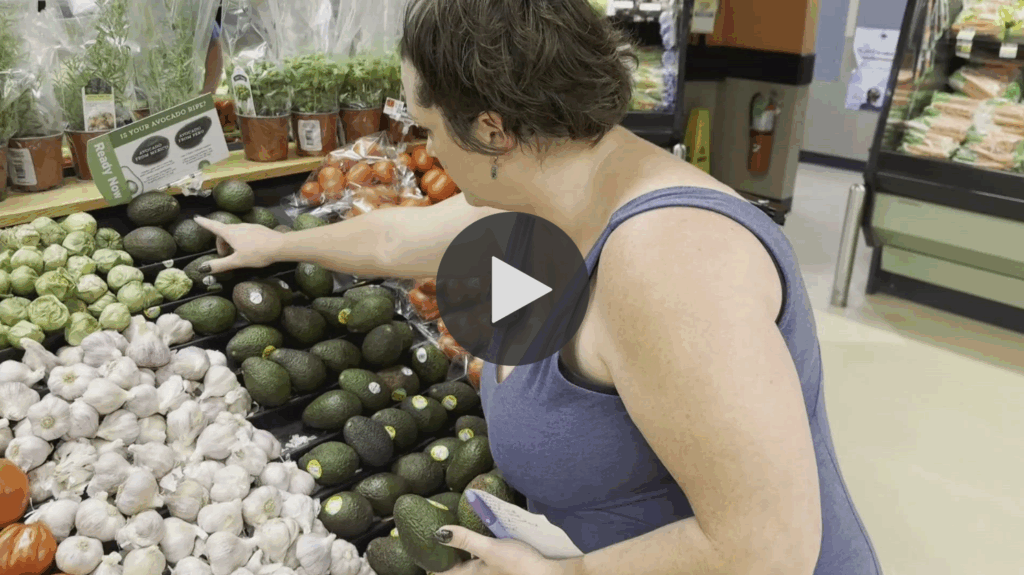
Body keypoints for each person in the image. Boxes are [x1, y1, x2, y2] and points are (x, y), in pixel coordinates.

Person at [195, 0, 882, 573]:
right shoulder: (548, 186)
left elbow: (768, 546)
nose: (427, 150)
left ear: (493, 129)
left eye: (429, 128)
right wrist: (278, 244)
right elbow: (395, 239)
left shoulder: (666, 261)